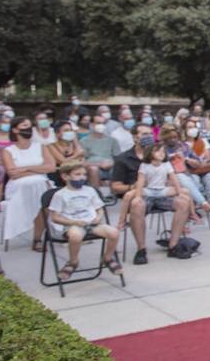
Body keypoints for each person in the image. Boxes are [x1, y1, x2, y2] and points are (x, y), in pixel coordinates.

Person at [111, 127, 193, 264]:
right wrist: (135, 187)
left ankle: (173, 245)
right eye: (144, 134)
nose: (148, 137)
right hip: (142, 194)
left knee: (183, 201)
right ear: (135, 137)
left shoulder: (162, 156)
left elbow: (171, 176)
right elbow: (115, 187)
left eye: (150, 133)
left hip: (162, 192)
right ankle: (141, 249)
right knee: (137, 205)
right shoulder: (123, 159)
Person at [47, 161, 123, 279]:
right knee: (76, 235)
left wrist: (98, 217)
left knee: (114, 232)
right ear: (65, 176)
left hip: (92, 223)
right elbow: (55, 217)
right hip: (72, 224)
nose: (82, 177)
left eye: (84, 174)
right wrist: (73, 222)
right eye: (77, 174)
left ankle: (107, 258)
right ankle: (73, 262)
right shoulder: (60, 195)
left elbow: (100, 208)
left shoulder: (90, 190)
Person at [0, 115, 54, 247]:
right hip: (19, 186)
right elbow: (12, 173)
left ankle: (37, 238)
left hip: (40, 182)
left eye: (30, 125)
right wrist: (39, 169)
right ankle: (37, 237)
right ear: (15, 130)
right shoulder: (8, 151)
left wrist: (25, 168)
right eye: (24, 126)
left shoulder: (40, 147)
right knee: (37, 188)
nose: (28, 128)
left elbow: (51, 167)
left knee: (39, 185)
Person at [82, 117, 122, 191]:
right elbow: (82, 161)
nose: (101, 125)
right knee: (93, 169)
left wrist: (111, 163)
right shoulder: (84, 141)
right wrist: (98, 164)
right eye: (98, 123)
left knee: (118, 169)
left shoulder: (112, 140)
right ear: (92, 124)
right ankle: (96, 194)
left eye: (103, 123)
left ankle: (114, 196)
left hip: (111, 166)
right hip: (92, 166)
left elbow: (118, 158)